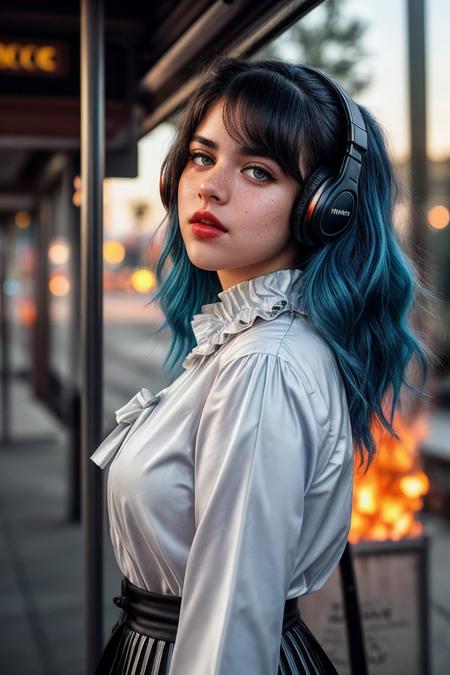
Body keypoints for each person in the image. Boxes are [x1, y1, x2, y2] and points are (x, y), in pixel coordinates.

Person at [90, 56, 430, 674]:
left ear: (325, 208)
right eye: (201, 156)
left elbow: (232, 627)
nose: (211, 186)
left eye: (257, 170)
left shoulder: (264, 365)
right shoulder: (244, 340)